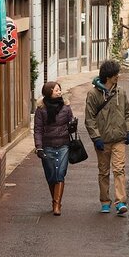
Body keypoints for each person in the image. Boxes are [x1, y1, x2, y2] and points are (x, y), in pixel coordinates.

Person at [84, 60, 129, 214]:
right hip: (102, 140)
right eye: (115, 75)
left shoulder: (121, 92)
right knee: (104, 171)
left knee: (119, 169)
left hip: (119, 138)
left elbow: (127, 113)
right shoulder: (93, 94)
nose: (117, 77)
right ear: (108, 76)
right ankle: (105, 201)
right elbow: (89, 118)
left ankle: (120, 202)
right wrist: (96, 137)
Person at [33, 81, 78, 216]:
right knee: (51, 175)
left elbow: (70, 123)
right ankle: (55, 199)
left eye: (59, 89)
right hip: (47, 146)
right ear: (49, 92)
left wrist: (72, 124)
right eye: (56, 90)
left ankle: (57, 204)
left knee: (60, 174)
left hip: (64, 144)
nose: (59, 92)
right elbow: (38, 129)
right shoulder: (41, 109)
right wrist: (39, 147)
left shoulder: (66, 107)